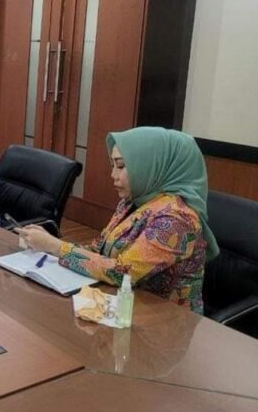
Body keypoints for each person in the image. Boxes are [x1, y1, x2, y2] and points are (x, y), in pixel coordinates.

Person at [16, 127, 217, 314]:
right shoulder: (134, 202)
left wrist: (56, 247)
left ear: (150, 166)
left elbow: (123, 273)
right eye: (112, 165)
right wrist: (48, 245)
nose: (113, 175)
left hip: (163, 321)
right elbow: (98, 249)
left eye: (121, 166)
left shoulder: (177, 219)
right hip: (121, 304)